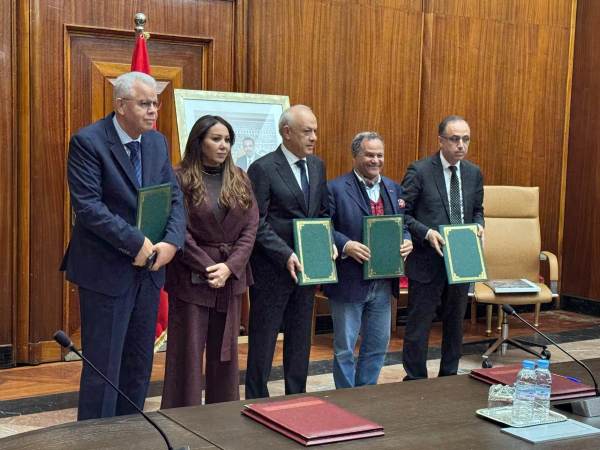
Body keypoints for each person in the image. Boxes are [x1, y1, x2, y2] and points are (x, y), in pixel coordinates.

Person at [60, 71, 185, 420]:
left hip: (150, 272)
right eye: (144, 104)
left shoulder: (156, 142)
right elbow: (89, 208)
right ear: (120, 105)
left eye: (155, 103)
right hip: (106, 272)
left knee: (137, 365)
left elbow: (174, 198)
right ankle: (97, 439)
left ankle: (131, 433)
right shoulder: (88, 142)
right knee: (103, 369)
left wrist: (172, 243)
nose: (153, 111)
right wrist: (136, 243)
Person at [161, 115, 258, 407]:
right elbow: (177, 229)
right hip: (191, 278)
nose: (223, 145)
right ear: (198, 141)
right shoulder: (178, 177)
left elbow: (251, 227)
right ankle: (182, 415)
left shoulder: (240, 176)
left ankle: (222, 415)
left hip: (230, 277)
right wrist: (207, 267)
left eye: (227, 140)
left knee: (225, 356)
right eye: (216, 139)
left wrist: (229, 268)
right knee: (187, 356)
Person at [245, 105, 333, 398]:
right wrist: (285, 254)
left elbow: (321, 213)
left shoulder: (317, 166)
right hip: (272, 269)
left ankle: (297, 395)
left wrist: (327, 242)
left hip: (307, 267)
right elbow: (256, 222)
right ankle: (257, 398)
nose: (314, 137)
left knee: (300, 337)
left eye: (315, 131)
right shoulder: (263, 168)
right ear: (286, 132)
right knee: (264, 338)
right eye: (307, 131)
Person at [325, 132, 412, 388]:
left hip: (383, 281)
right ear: (355, 156)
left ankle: (366, 395)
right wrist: (346, 245)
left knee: (377, 346)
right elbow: (323, 226)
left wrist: (407, 239)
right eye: (369, 155)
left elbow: (403, 225)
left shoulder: (394, 188)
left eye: (379, 155)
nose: (375, 160)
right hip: (349, 279)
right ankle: (346, 398)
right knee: (345, 348)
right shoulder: (335, 188)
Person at [401, 115, 484, 380]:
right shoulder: (420, 171)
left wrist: (479, 225)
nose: (461, 145)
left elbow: (477, 210)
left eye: (466, 139)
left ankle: (449, 376)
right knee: (419, 325)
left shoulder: (473, 173)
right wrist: (426, 233)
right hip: (427, 261)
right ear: (441, 141)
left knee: (455, 324)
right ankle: (415, 379)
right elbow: (402, 214)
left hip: (460, 261)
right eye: (455, 139)